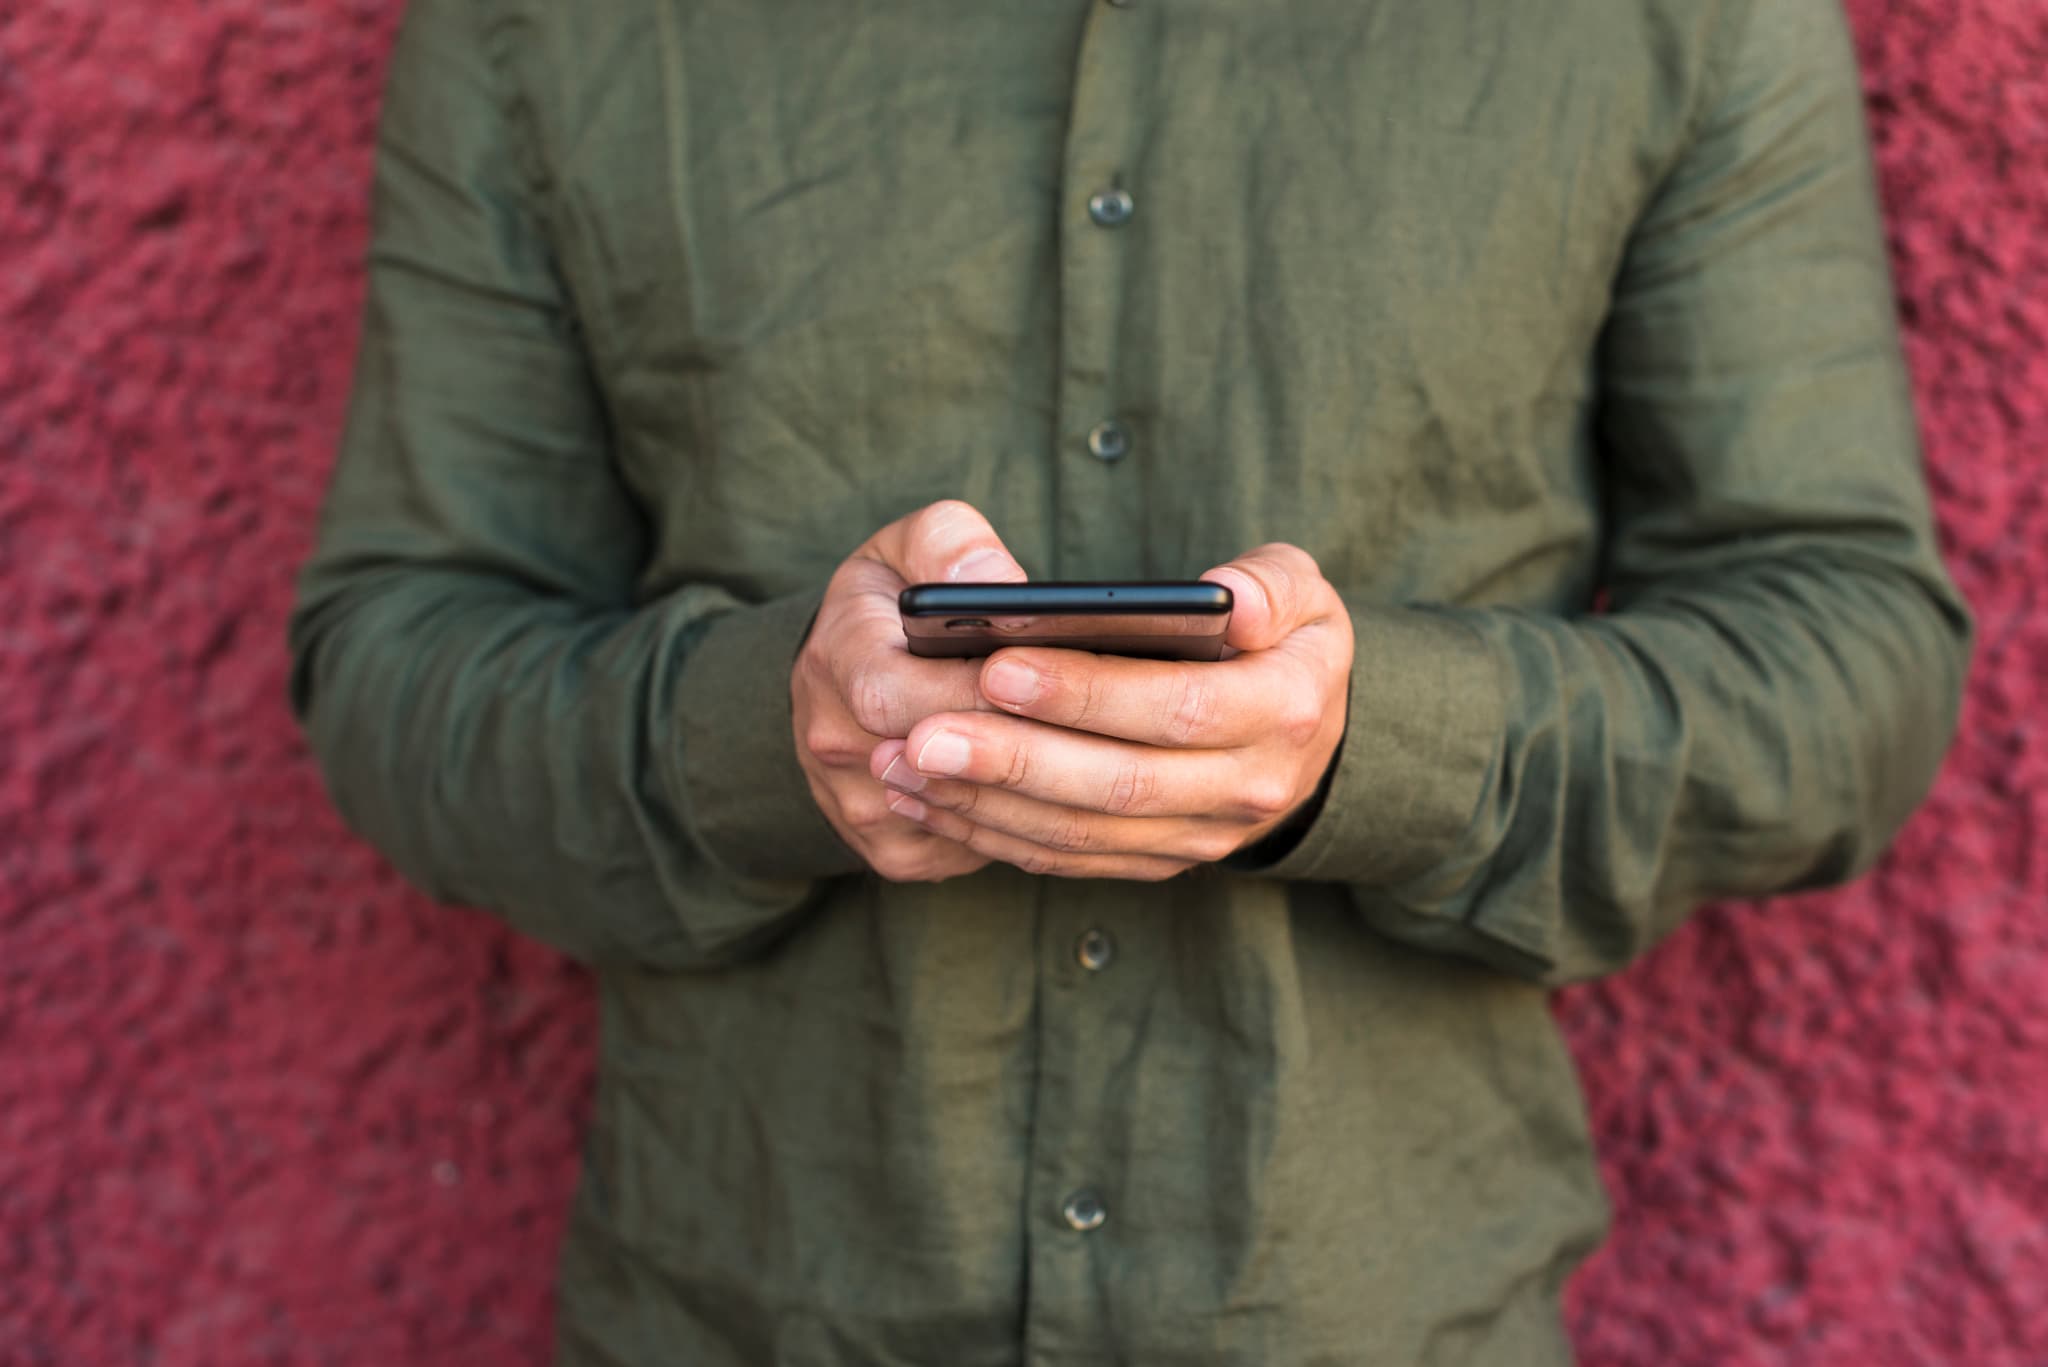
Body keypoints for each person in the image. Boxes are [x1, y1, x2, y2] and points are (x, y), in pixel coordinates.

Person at [286, 0, 1972, 1361]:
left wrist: (1372, 748)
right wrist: (763, 735)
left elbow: (1848, 657)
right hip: (740, 1314)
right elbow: (397, 653)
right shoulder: (547, 28)